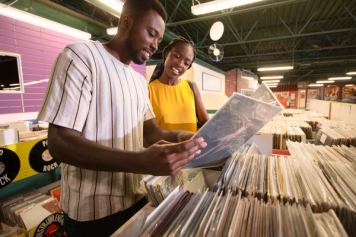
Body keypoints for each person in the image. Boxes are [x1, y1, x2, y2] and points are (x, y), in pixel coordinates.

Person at [37, 0, 206, 236]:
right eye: (151, 33)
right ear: (126, 23)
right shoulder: (80, 57)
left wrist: (182, 137)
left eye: (159, 40)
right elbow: (59, 143)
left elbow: (150, 133)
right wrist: (141, 161)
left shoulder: (137, 82)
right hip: (92, 214)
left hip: (136, 199)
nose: (156, 45)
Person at [148, 36, 209, 132]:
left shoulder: (191, 87)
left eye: (186, 63)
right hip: (165, 147)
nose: (180, 64)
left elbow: (207, 123)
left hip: (192, 147)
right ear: (167, 54)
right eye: (177, 56)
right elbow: (148, 134)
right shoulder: (148, 90)